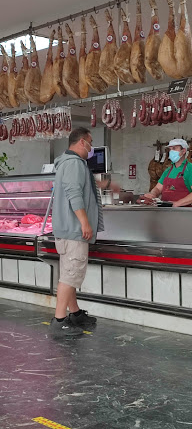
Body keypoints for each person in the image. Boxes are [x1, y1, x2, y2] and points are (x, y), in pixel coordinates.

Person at [50, 127, 120, 336]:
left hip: (68, 229)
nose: (91, 147)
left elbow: (85, 185)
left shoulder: (72, 163)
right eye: (90, 142)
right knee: (71, 276)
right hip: (74, 229)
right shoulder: (73, 164)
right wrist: (85, 222)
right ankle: (59, 321)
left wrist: (107, 184)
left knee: (69, 274)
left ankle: (75, 313)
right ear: (81, 142)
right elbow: (74, 193)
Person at [144, 138, 192, 207]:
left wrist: (177, 203)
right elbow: (158, 188)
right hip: (165, 211)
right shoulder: (168, 170)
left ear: (183, 151)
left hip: (183, 213)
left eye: (174, 148)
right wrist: (153, 194)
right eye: (170, 149)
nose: (171, 152)